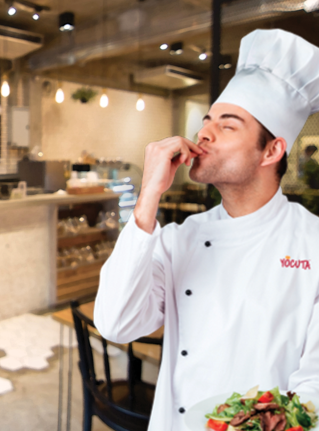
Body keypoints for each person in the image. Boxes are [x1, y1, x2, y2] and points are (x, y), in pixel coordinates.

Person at [94, 29, 319, 431]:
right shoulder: (180, 237)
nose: (204, 134)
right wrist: (148, 197)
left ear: (272, 151)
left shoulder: (313, 243)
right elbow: (116, 323)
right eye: (207, 121)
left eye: (227, 126)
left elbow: (315, 385)